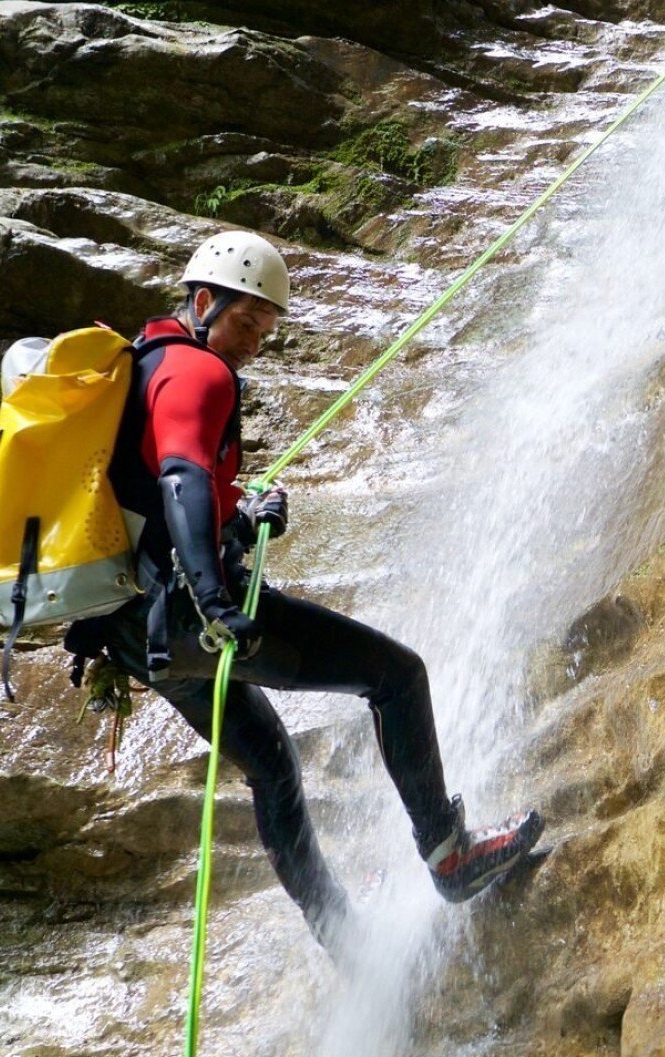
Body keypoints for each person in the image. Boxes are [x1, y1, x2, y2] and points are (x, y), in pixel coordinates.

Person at [67, 229, 542, 952]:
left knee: (271, 765)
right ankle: (451, 855)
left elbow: (159, 497)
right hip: (193, 617)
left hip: (139, 636)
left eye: (265, 330)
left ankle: (340, 937)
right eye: (245, 322)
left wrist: (240, 519)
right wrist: (216, 600)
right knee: (397, 677)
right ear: (203, 302)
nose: (253, 343)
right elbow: (182, 479)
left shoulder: (146, 366)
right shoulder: (199, 372)